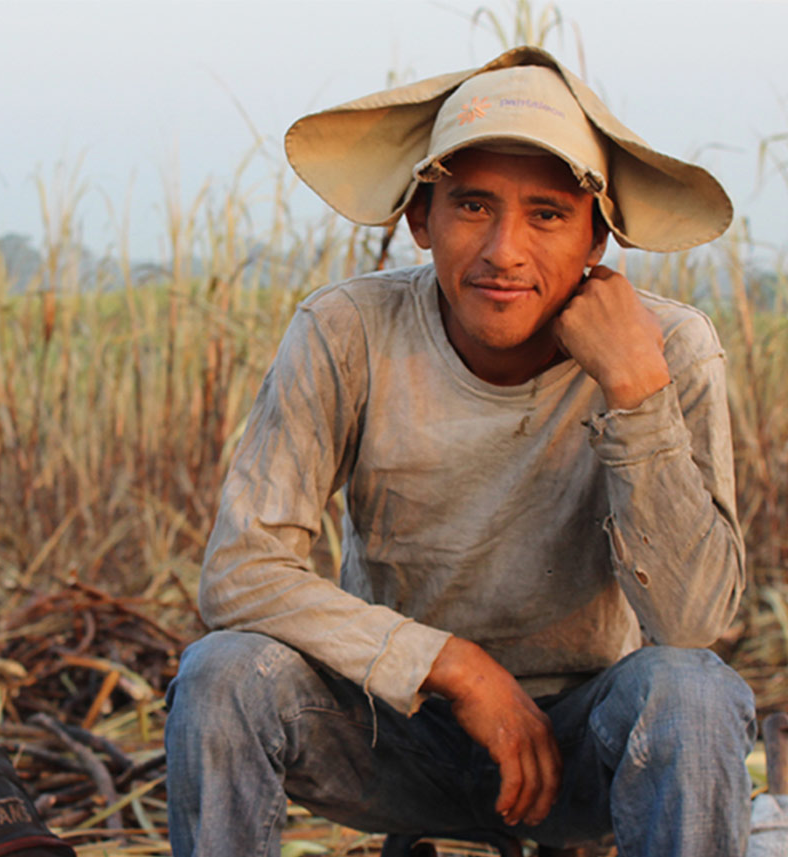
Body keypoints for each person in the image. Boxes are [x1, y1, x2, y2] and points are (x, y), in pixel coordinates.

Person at [165, 46, 756, 856]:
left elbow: (696, 625)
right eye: (472, 206)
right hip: (392, 731)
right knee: (221, 674)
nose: (504, 250)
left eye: (547, 214)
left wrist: (634, 392)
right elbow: (240, 570)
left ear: (597, 240)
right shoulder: (348, 331)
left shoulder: (669, 348)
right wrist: (454, 666)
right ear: (420, 219)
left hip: (585, 744)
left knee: (693, 695)